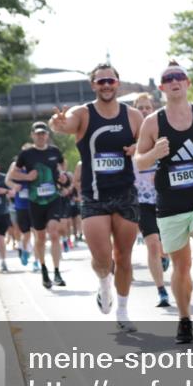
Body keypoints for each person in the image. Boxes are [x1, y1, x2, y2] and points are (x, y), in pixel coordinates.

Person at [135, 61, 193, 343]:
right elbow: (138, 161)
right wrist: (153, 154)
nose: (174, 81)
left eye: (179, 77)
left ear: (187, 83)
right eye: (168, 78)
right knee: (181, 267)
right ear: (162, 88)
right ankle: (184, 318)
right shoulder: (153, 122)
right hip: (171, 204)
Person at [50, 63, 144, 332]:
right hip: (94, 196)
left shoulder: (133, 116)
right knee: (102, 258)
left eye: (110, 81)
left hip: (125, 193)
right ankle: (104, 285)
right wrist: (56, 124)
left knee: (123, 257)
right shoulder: (84, 113)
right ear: (93, 85)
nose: (105, 85)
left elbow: (147, 142)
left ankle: (123, 310)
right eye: (100, 81)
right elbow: (63, 124)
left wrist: (138, 146)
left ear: (118, 83)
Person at [7, 122, 66, 289]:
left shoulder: (54, 151)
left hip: (53, 197)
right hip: (35, 201)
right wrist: (27, 177)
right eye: (38, 134)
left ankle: (57, 271)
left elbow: (62, 165)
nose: (41, 136)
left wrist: (61, 175)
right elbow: (13, 173)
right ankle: (44, 269)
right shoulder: (26, 154)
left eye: (43, 133)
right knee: (40, 237)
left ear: (47, 135)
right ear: (32, 135)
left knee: (54, 233)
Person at [131, 93, 171, 308]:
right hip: (141, 199)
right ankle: (161, 291)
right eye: (141, 108)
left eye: (148, 107)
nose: (145, 111)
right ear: (135, 110)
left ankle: (166, 256)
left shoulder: (161, 133)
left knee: (166, 245)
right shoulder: (128, 139)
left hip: (165, 196)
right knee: (152, 245)